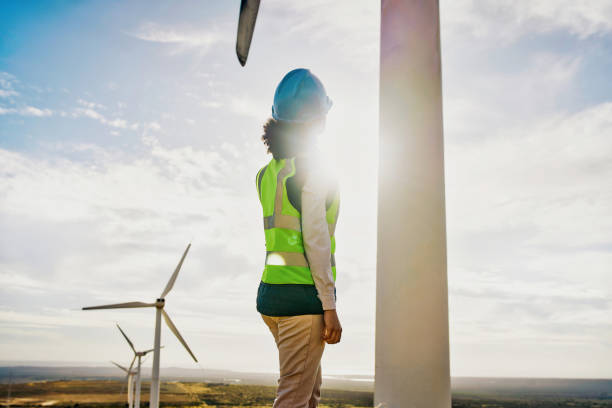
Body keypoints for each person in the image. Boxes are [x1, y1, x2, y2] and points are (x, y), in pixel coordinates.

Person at [255, 68, 342, 408]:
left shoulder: (267, 174)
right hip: (302, 302)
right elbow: (316, 242)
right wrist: (330, 305)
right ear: (317, 121)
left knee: (309, 392)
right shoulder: (313, 171)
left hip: (271, 297)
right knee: (293, 398)